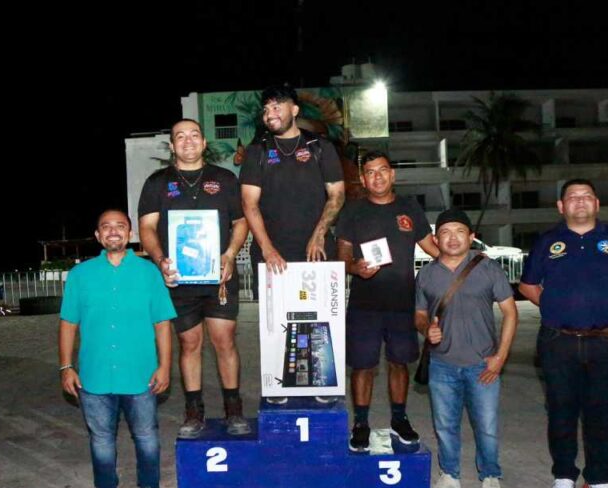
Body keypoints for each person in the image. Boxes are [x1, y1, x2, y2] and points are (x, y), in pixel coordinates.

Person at [518, 179, 608, 488]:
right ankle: (564, 474)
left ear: (597, 204)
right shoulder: (547, 242)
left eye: (586, 196)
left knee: (600, 412)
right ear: (561, 207)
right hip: (558, 341)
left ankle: (598, 479)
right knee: (561, 409)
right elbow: (528, 285)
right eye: (572, 197)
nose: (580, 201)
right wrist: (556, 306)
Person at [59, 210, 175, 488]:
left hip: (141, 374)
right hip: (94, 375)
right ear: (98, 236)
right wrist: (66, 367)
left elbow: (162, 323)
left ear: (130, 234)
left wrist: (165, 366)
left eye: (120, 226)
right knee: (100, 439)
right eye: (106, 227)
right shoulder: (80, 275)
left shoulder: (149, 273)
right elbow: (68, 323)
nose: (113, 231)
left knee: (147, 436)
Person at [138, 119, 251, 438]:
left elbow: (241, 222)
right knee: (189, 343)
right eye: (180, 137)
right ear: (172, 146)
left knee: (224, 341)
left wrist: (229, 255)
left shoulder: (225, 179)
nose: (187, 141)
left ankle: (233, 409)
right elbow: (147, 227)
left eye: (194, 136)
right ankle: (193, 411)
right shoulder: (157, 182)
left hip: (219, 277)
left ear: (204, 143)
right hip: (179, 280)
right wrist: (160, 260)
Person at [240, 84, 346, 404]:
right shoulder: (257, 151)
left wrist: (318, 234)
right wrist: (267, 248)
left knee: (317, 318)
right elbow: (249, 204)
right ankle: (276, 386)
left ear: (294, 110)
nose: (270, 113)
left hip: (316, 250)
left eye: (277, 107)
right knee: (275, 322)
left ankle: (321, 383)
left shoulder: (320, 147)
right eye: (266, 109)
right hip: (271, 252)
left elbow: (337, 195)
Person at [335, 151, 438, 452]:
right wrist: (355, 267)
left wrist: (463, 261)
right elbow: (342, 256)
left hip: (402, 303)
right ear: (363, 179)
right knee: (362, 366)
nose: (377, 176)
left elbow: (431, 247)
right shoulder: (352, 211)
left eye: (382, 170)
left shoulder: (410, 208)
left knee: (399, 363)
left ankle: (399, 419)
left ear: (392, 175)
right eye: (370, 172)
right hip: (364, 305)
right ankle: (361, 423)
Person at [415, 208, 518, 488]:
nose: (452, 238)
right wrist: (426, 328)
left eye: (460, 231)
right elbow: (419, 313)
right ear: (436, 239)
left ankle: (490, 477)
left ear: (471, 237)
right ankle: (450, 475)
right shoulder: (427, 274)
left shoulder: (488, 268)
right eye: (445, 232)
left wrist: (500, 357)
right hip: (441, 365)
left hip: (482, 364)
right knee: (445, 426)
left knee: (486, 426)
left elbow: (510, 313)